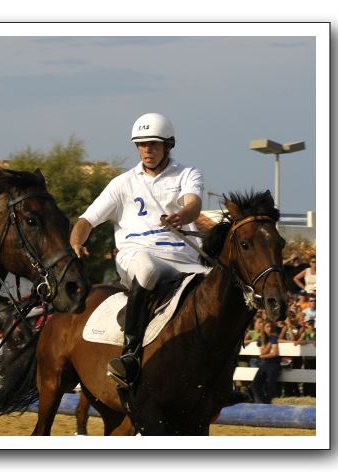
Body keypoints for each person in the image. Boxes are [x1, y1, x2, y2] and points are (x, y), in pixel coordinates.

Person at [69, 112, 207, 389]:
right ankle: (129, 355)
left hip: (183, 259)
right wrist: (76, 241)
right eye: (141, 144)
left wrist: (183, 214)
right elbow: (87, 220)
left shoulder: (188, 173)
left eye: (153, 144)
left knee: (221, 285)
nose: (146, 150)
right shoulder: (122, 183)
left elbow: (193, 204)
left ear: (168, 145)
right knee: (147, 268)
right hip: (137, 254)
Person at [250, 320, 281, 404]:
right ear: (263, 328)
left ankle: (271, 404)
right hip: (264, 364)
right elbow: (263, 352)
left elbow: (275, 353)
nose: (269, 329)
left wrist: (263, 355)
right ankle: (263, 402)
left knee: (270, 386)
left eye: (270, 327)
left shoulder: (273, 337)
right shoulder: (262, 338)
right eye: (267, 327)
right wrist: (270, 343)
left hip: (274, 364)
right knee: (255, 384)